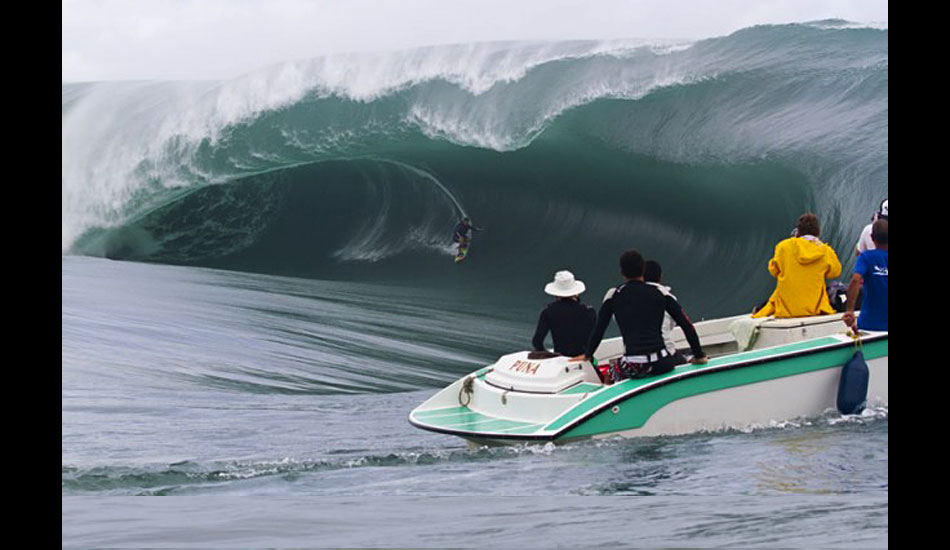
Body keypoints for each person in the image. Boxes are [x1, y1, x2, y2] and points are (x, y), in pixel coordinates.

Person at [573, 250, 707, 381]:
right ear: (642, 270)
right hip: (662, 363)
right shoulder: (660, 292)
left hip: (634, 366)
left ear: (622, 273)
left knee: (609, 375)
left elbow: (599, 329)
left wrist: (588, 355)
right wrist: (699, 355)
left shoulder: (614, 294)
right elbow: (687, 324)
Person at [752, 213, 842, 319]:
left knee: (770, 300)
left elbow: (774, 271)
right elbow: (835, 273)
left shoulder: (783, 247)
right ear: (818, 231)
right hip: (814, 308)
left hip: (786, 309)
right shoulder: (825, 250)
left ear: (798, 230)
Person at [531, 271, 597, 357]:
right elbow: (595, 339)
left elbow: (537, 341)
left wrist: (550, 356)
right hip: (583, 359)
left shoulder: (547, 311)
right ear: (576, 292)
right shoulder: (589, 311)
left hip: (560, 359)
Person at [843, 219, 887, 331]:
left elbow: (855, 280)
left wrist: (849, 310)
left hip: (869, 324)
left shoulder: (866, 257)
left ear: (872, 238)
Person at [644, 260, 689, 366]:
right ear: (660, 277)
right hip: (664, 353)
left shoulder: (629, 298)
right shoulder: (667, 296)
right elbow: (682, 325)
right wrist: (699, 356)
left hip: (636, 357)